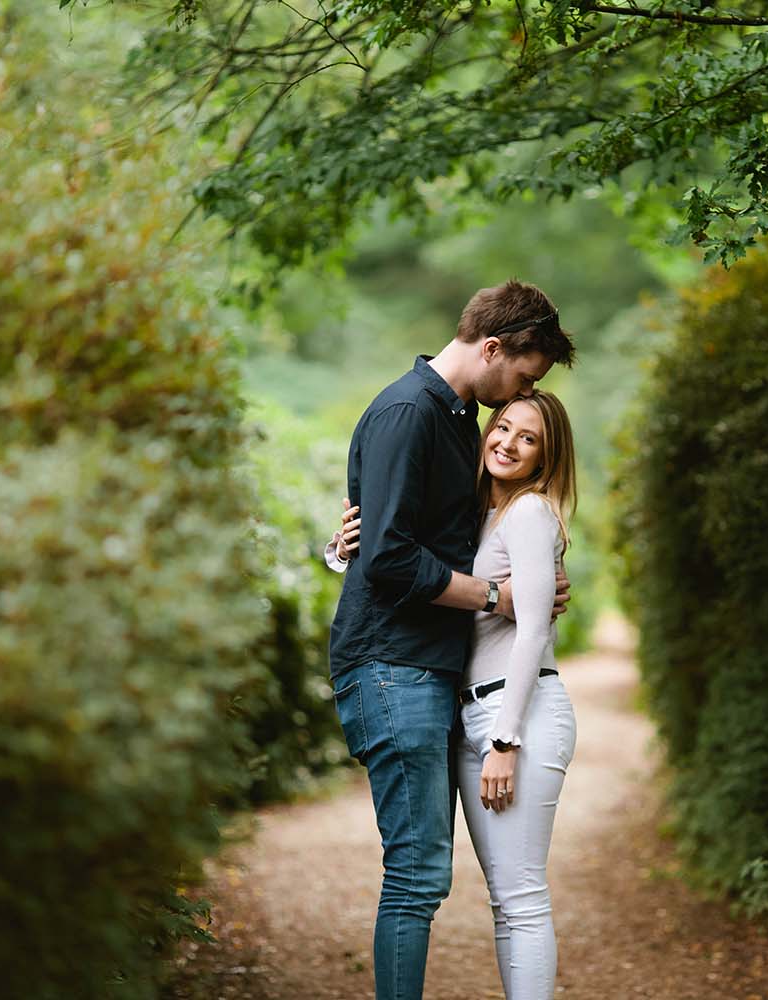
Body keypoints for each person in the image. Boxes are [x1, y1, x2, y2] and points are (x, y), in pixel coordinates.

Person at [325, 280, 575, 1000]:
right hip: (391, 666)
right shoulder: (411, 411)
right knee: (417, 873)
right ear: (494, 347)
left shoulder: (455, 418)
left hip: (425, 667)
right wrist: (502, 598)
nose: (515, 402)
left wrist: (536, 580)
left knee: (425, 873)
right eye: (523, 378)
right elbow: (394, 557)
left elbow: (409, 536)